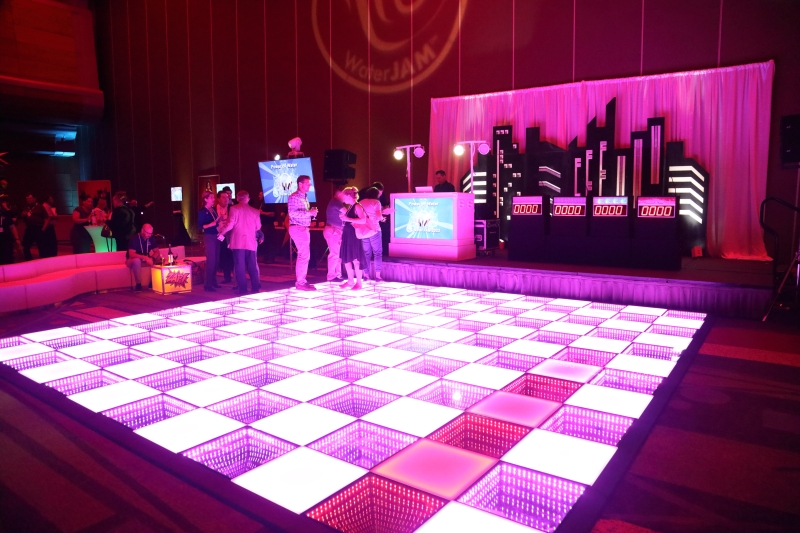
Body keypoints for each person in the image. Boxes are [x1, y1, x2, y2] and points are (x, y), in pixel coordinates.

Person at [217, 190, 262, 295]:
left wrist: (221, 232)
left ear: (237, 199)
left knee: (239, 266)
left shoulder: (234, 209)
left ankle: (243, 289)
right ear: (248, 199)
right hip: (251, 241)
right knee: (252, 265)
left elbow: (230, 224)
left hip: (238, 242)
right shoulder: (255, 211)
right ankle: (255, 287)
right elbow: (258, 227)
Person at [287, 175, 318, 291]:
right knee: (303, 255)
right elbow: (292, 213)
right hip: (298, 228)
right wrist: (309, 213)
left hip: (302, 228)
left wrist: (310, 213)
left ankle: (302, 281)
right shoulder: (294, 197)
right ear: (300, 184)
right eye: (307, 183)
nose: (309, 185)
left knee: (304, 255)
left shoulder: (304, 197)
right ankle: (300, 282)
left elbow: (301, 212)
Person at [359, 187, 393, 281]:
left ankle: (366, 275)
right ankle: (378, 276)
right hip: (375, 230)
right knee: (377, 253)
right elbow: (378, 216)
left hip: (364, 230)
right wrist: (383, 218)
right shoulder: (376, 202)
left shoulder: (361, 202)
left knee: (366, 253)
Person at [338, 186, 367, 290]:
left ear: (349, 196)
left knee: (355, 259)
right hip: (348, 235)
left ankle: (358, 283)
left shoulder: (357, 206)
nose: (343, 198)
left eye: (344, 196)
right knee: (347, 259)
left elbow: (363, 220)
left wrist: (348, 219)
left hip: (354, 236)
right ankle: (350, 281)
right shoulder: (351, 207)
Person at [198, 191, 221, 291]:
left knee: (216, 260)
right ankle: (207, 284)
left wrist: (219, 220)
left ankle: (213, 281)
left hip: (216, 235)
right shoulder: (202, 212)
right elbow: (200, 226)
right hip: (209, 236)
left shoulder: (213, 210)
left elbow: (216, 223)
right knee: (211, 260)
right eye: (211, 197)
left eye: (213, 197)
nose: (213, 199)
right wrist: (211, 224)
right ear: (205, 199)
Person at [126, 223, 161, 292]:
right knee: (137, 261)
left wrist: (152, 258)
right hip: (132, 260)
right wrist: (145, 257)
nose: (149, 235)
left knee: (159, 258)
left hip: (144, 259)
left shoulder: (151, 238)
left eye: (151, 233)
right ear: (142, 231)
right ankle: (138, 284)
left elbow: (157, 251)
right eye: (147, 233)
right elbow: (131, 254)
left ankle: (152, 282)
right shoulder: (135, 239)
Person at [323, 186, 346, 282]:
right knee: (335, 253)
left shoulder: (334, 202)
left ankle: (337, 274)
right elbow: (347, 213)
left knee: (336, 253)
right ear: (339, 194)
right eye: (344, 195)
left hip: (333, 230)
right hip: (334, 230)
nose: (345, 197)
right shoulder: (336, 202)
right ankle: (331, 275)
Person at [20, 193, 49, 260]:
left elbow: (47, 218)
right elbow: (23, 220)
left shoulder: (40, 207)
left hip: (38, 228)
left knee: (41, 246)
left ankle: (43, 261)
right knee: (25, 246)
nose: (28, 200)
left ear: (34, 199)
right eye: (27, 199)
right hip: (29, 228)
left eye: (30, 198)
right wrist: (23, 216)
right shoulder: (25, 207)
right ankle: (29, 260)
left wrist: (43, 229)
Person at [215, 190, 234, 284]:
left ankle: (233, 277)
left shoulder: (232, 208)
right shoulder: (214, 209)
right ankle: (225, 276)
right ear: (218, 199)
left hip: (230, 236)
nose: (226, 199)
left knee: (231, 256)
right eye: (223, 197)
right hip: (217, 236)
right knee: (221, 256)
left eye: (227, 197)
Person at [253, 191, 277, 263]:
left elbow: (273, 214)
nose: (259, 196)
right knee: (264, 242)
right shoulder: (261, 203)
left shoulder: (269, 203)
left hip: (268, 225)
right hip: (263, 225)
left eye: (260, 194)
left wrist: (262, 213)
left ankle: (270, 258)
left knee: (269, 242)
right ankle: (266, 257)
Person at [0, 194, 20, 264]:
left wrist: (17, 239)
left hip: (6, 238)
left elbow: (12, 226)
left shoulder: (6, 213)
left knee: (8, 257)